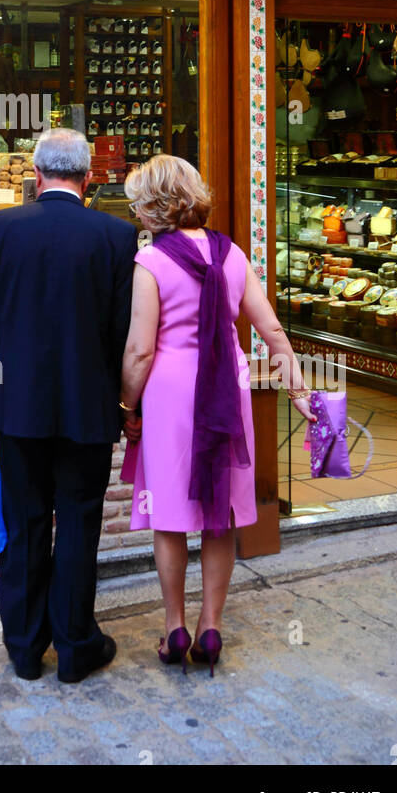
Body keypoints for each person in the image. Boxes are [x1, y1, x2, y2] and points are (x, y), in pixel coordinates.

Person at [119, 154, 315, 675]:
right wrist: (298, 392)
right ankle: (211, 627)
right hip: (227, 389)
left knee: (169, 515)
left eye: (139, 203)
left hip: (170, 393)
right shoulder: (232, 256)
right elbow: (271, 331)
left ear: (156, 205)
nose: (137, 213)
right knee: (219, 515)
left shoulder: (150, 263)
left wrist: (126, 406)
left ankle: (174, 626)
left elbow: (139, 352)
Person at [0, 128, 139, 684]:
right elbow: (121, 332)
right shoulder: (116, 235)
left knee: (27, 523)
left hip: (19, 406)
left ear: (35, 174)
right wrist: (119, 400)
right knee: (81, 523)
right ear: (88, 178)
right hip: (88, 410)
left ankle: (23, 646)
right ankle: (75, 645)